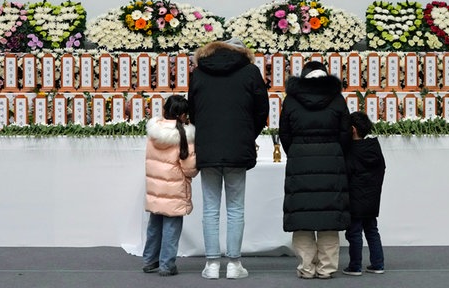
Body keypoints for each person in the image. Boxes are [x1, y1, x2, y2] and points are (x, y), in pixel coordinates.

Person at [188, 38, 269, 279]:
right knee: (235, 208)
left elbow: (193, 110)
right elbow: (261, 110)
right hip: (237, 147)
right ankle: (234, 264)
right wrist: (247, 135)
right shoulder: (250, 71)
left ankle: (212, 265)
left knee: (210, 209)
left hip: (208, 147)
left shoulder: (200, 72)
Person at [279, 61, 351, 279]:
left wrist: (296, 151)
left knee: (302, 218)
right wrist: (336, 151)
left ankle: (306, 268)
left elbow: (284, 132)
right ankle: (327, 268)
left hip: (300, 159)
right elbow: (345, 132)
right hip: (332, 160)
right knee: (329, 217)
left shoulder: (291, 100)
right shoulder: (337, 99)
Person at [142, 95, 198, 276]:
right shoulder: (184, 134)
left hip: (155, 188)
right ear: (183, 115)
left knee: (154, 226)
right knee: (171, 229)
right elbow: (190, 169)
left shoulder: (154, 131)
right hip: (174, 190)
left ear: (165, 110)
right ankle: (167, 265)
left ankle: (150, 260)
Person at [342, 111, 386, 276]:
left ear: (352, 129)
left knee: (354, 233)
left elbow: (346, 174)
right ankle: (378, 263)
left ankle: (355, 266)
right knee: (372, 230)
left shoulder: (351, 151)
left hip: (354, 199)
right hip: (372, 198)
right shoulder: (374, 147)